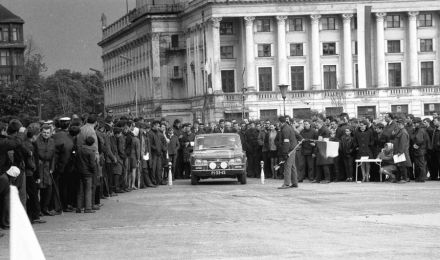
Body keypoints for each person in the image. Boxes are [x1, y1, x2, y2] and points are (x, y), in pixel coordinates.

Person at [35, 125, 57, 216]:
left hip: (48, 167)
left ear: (51, 133)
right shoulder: (36, 141)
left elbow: (54, 156)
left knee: (48, 189)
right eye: (44, 132)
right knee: (38, 189)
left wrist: (52, 167)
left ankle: (45, 208)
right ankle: (38, 210)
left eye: (48, 133)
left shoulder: (52, 141)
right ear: (41, 132)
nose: (46, 134)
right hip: (39, 167)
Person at [278, 116, 303, 188]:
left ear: (281, 122)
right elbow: (296, 135)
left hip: (289, 149)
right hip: (292, 148)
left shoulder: (285, 129)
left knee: (287, 166)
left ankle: (286, 183)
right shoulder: (288, 127)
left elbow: (286, 141)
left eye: (278, 122)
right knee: (292, 166)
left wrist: (285, 152)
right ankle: (295, 183)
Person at [76, 136, 97, 213]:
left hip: (79, 171)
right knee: (88, 190)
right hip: (88, 173)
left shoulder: (79, 149)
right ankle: (88, 208)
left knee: (80, 190)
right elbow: (92, 164)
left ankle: (79, 207)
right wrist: (94, 171)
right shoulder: (91, 152)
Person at [411, 117, 430, 182]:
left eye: (415, 123)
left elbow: (419, 140)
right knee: (419, 164)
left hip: (420, 150)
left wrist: (416, 145)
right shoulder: (419, 129)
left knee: (421, 164)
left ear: (418, 123)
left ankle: (422, 178)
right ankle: (420, 177)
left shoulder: (420, 130)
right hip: (420, 150)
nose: (413, 124)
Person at [393, 118, 412, 183]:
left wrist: (400, 152)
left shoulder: (403, 132)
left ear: (402, 124)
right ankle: (398, 178)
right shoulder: (400, 131)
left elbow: (403, 143)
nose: (398, 125)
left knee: (403, 166)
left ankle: (405, 178)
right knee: (398, 166)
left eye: (399, 124)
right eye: (398, 124)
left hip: (401, 152)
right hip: (398, 151)